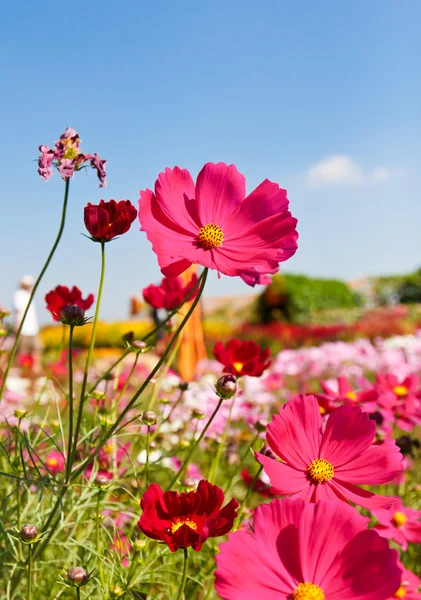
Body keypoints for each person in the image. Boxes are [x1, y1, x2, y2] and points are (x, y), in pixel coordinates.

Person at [13, 275, 41, 373]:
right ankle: (23, 372)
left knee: (36, 349)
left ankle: (35, 371)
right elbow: (17, 311)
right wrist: (16, 325)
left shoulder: (29, 295)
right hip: (23, 328)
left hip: (33, 328)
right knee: (22, 351)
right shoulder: (19, 294)